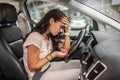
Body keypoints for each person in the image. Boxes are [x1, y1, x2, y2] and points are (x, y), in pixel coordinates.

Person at [23, 9, 81, 80]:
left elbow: (65, 50)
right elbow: (33, 67)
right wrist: (54, 54)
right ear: (51, 21)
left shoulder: (49, 37)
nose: (60, 30)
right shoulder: (34, 38)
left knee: (79, 64)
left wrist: (67, 31)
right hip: (38, 76)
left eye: (63, 28)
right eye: (61, 26)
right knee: (79, 73)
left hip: (47, 67)